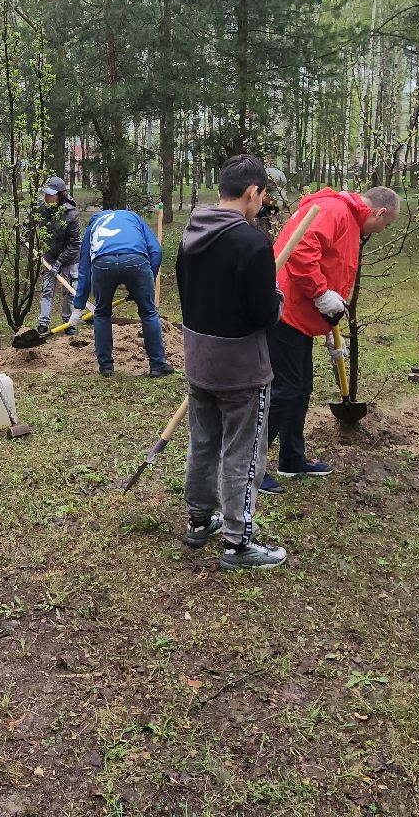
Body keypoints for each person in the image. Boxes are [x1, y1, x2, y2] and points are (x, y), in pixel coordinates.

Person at [177, 155, 289, 571]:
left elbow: (187, 296)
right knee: (244, 453)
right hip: (242, 369)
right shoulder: (253, 243)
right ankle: (238, 543)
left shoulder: (191, 235)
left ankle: (198, 520)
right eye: (263, 194)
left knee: (203, 444)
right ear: (251, 193)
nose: (262, 202)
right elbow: (265, 314)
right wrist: (276, 298)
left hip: (199, 360)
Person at [263, 184, 400, 494]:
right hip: (285, 312)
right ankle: (249, 469)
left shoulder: (347, 218)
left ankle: (291, 459)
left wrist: (328, 330)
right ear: (379, 212)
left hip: (301, 317)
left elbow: (332, 268)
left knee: (300, 389)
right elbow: (301, 251)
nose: (383, 230)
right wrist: (321, 294)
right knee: (285, 390)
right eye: (386, 224)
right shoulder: (335, 211)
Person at [71, 205, 172, 378]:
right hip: (136, 260)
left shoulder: (94, 223)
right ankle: (157, 365)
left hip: (102, 264)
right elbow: (156, 250)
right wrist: (147, 281)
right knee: (148, 313)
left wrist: (79, 306)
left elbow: (85, 266)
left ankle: (106, 367)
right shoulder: (133, 217)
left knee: (102, 313)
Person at [34, 176, 80, 336]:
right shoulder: (43, 208)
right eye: (45, 193)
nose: (46, 197)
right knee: (47, 290)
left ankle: (69, 323)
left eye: (50, 194)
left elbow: (74, 244)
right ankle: (43, 323)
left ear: (60, 195)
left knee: (69, 292)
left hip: (69, 259)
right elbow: (32, 223)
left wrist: (59, 264)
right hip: (49, 256)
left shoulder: (71, 214)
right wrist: (25, 235)